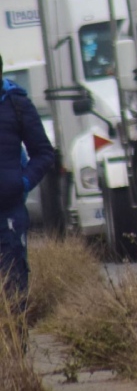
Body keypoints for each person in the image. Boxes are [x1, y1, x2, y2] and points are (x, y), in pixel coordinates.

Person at [0, 54, 55, 324]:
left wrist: (22, 183)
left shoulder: (17, 104)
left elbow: (44, 153)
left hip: (9, 214)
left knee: (14, 291)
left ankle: (16, 356)